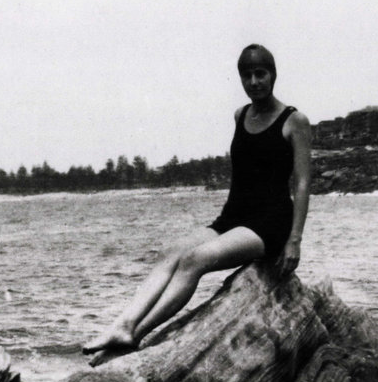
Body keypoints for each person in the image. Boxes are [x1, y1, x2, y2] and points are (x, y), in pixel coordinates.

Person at [82, 44, 311, 357]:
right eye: (247, 75)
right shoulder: (240, 115)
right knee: (171, 253)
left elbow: (302, 183)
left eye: (261, 74)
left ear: (273, 74)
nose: (254, 81)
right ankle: (123, 324)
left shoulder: (294, 120)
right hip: (234, 216)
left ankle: (137, 333)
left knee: (195, 260)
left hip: (270, 223)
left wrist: (294, 240)